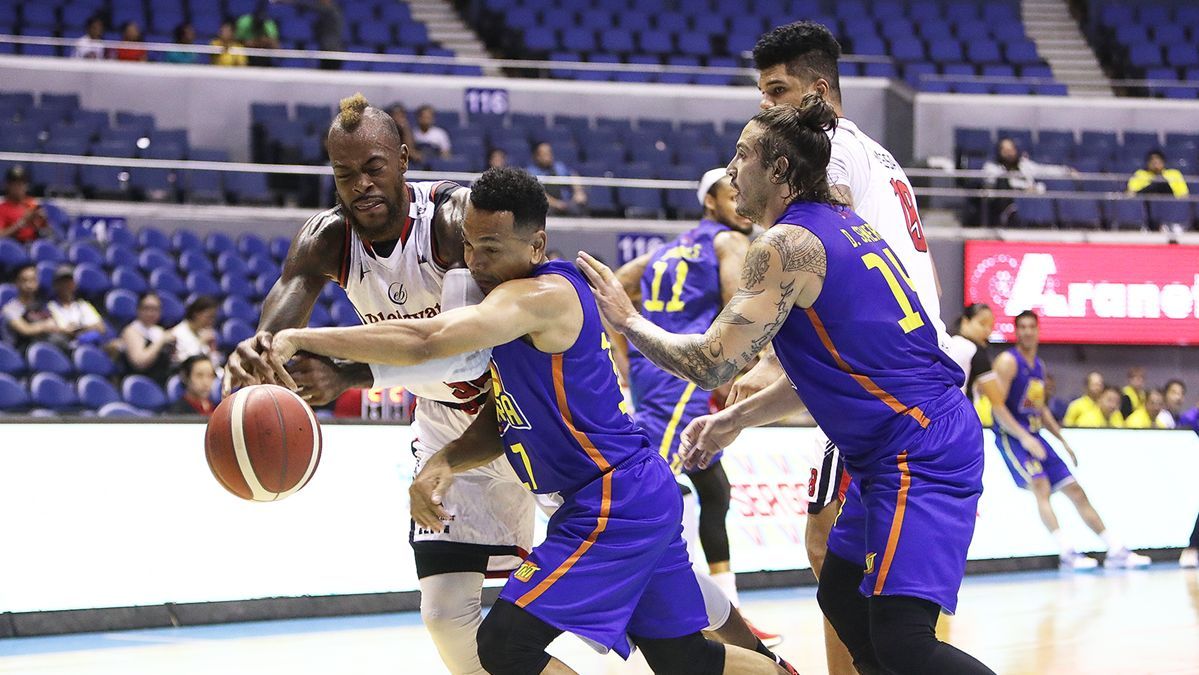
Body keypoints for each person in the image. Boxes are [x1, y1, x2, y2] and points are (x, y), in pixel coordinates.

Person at [259, 167, 787, 675]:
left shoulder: (541, 295)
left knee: (503, 645)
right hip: (622, 495)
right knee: (684, 661)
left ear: (535, 246)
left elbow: (427, 339)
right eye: (469, 245)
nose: (474, 262)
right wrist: (445, 461)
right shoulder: (507, 304)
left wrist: (299, 337)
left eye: (490, 248)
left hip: (613, 500)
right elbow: (506, 418)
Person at [580, 98, 994, 675]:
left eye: (742, 155)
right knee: (841, 595)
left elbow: (711, 364)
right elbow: (830, 372)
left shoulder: (786, 245)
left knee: (904, 640)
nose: (731, 169)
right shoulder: (845, 222)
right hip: (897, 444)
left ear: (779, 169)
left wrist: (628, 320)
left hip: (919, 447)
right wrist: (731, 420)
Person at [224, 94, 532, 675]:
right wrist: (250, 363)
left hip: (523, 411)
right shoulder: (326, 239)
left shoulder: (451, 220)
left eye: (373, 167)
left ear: (403, 160)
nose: (361, 184)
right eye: (345, 174)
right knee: (445, 617)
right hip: (444, 425)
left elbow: (464, 355)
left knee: (645, 595)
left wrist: (346, 374)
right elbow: (273, 338)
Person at [732, 21, 950, 674]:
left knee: (828, 544)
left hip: (888, 377)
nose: (765, 104)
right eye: (762, 92)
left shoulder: (827, 148)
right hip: (913, 365)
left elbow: (817, 246)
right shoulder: (877, 154)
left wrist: (769, 354)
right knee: (873, 572)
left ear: (818, 92)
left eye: (777, 90)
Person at [612, 168, 780, 643]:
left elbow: (616, 285)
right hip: (684, 377)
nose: (742, 202)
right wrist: (746, 370)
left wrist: (626, 355)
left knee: (714, 489)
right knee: (647, 491)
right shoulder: (729, 243)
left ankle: (729, 609)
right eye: (732, 194)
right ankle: (619, 602)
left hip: (659, 368)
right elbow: (741, 306)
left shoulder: (667, 249)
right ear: (711, 201)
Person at [987, 310, 1148, 569]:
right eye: (1022, 327)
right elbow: (997, 406)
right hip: (1012, 436)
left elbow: (1039, 407)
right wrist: (1024, 438)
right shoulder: (1008, 361)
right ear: (1016, 331)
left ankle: (1116, 549)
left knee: (1075, 490)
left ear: (1038, 330)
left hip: (1036, 435)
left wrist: (1062, 440)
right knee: (1041, 487)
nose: (1027, 331)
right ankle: (1067, 553)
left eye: (1031, 326)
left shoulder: (1038, 366)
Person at [981, 137, 1074, 226]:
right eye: (1005, 150)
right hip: (1009, 204)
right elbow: (997, 184)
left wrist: (1066, 171)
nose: (1009, 153)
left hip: (1032, 200)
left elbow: (1044, 170)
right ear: (999, 152)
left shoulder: (1024, 165)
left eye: (1011, 149)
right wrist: (1024, 190)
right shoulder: (992, 167)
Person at [2, 263, 64, 349]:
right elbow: (26, 330)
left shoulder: (42, 304)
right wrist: (45, 326)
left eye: (33, 280)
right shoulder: (10, 308)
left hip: (47, 345)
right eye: (24, 280)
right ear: (17, 283)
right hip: (23, 349)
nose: (29, 285)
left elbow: (55, 323)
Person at [120, 292, 176, 384]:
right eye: (146, 308)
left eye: (155, 309)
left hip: (162, 379)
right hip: (141, 382)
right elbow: (140, 363)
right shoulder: (131, 331)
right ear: (138, 310)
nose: (151, 313)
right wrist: (160, 341)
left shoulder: (159, 330)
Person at [47, 265, 106, 346]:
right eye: (62, 282)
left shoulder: (83, 304)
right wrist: (82, 328)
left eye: (69, 281)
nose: (66, 285)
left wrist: (80, 329)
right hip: (66, 345)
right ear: (56, 285)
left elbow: (101, 327)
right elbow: (59, 329)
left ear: (74, 284)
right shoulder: (50, 306)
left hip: (88, 343)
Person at [526, 141, 587, 215]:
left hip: (566, 203)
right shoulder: (531, 172)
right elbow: (538, 194)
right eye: (545, 154)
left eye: (549, 153)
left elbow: (573, 175)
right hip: (547, 205)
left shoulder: (559, 167)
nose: (549, 156)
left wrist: (579, 192)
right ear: (536, 156)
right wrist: (556, 204)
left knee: (578, 207)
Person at [284, 0, 345, 70]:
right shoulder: (329, 11)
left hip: (332, 50)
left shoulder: (332, 10)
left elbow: (313, 7)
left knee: (330, 72)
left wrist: (292, 2)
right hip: (327, 48)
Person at [0, 166, 51, 243]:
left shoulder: (32, 204)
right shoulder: (2, 209)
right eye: (15, 184)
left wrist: (43, 221)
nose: (19, 188)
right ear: (8, 186)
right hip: (15, 245)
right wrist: (22, 222)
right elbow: (1, 235)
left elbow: (47, 231)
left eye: (22, 184)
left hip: (34, 243)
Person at [171, 295, 219, 365]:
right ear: (196, 314)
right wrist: (201, 342)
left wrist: (213, 349)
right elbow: (183, 361)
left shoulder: (203, 332)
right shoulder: (178, 332)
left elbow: (214, 364)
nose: (211, 321)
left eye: (214, 317)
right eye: (209, 317)